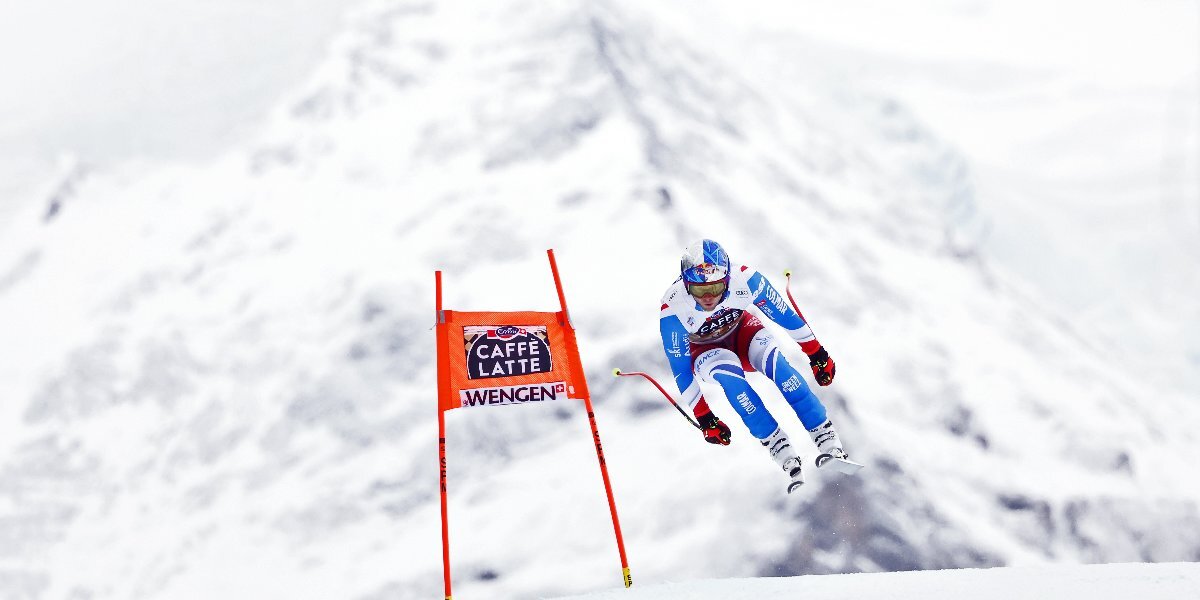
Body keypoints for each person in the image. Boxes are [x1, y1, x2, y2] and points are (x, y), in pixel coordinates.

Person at [659, 239, 855, 493]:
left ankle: (827, 439)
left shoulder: (746, 280)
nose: (708, 297)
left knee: (781, 369)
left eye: (716, 287)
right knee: (732, 382)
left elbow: (784, 315)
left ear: (727, 279)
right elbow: (682, 370)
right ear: (686, 285)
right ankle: (780, 448)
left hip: (743, 333)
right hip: (706, 351)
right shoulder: (672, 309)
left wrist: (817, 354)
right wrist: (705, 418)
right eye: (699, 290)